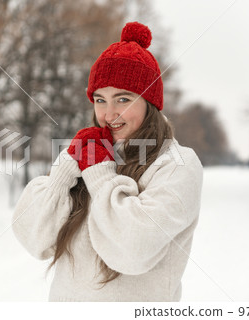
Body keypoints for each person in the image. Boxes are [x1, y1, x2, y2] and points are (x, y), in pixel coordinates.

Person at [11, 21, 203, 302]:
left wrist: (100, 175)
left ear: (149, 103)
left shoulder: (177, 164)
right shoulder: (90, 154)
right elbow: (35, 240)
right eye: (100, 100)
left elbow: (133, 250)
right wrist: (64, 173)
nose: (108, 113)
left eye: (122, 99)